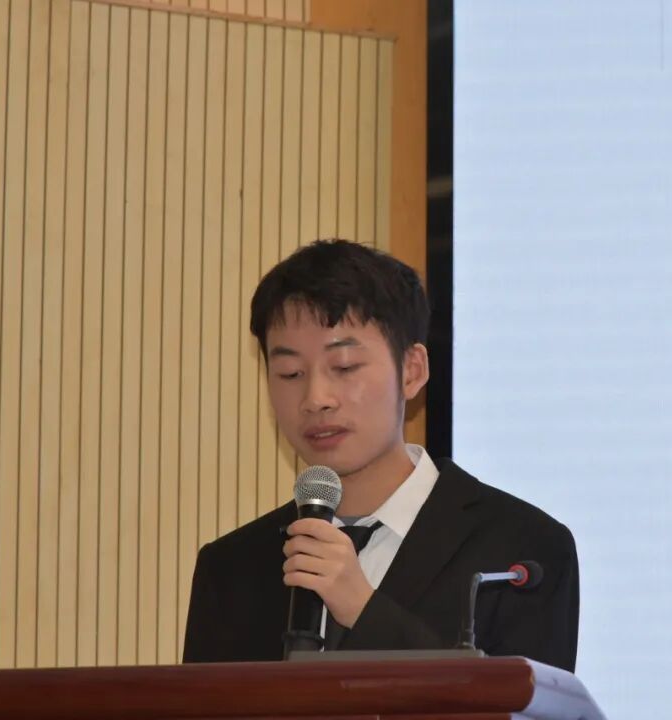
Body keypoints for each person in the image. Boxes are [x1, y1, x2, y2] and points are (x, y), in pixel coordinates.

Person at [182, 239, 579, 671]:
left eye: (345, 367)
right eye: (290, 373)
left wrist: (362, 608)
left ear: (412, 371)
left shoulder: (524, 551)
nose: (316, 399)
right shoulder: (231, 568)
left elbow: (519, 702)